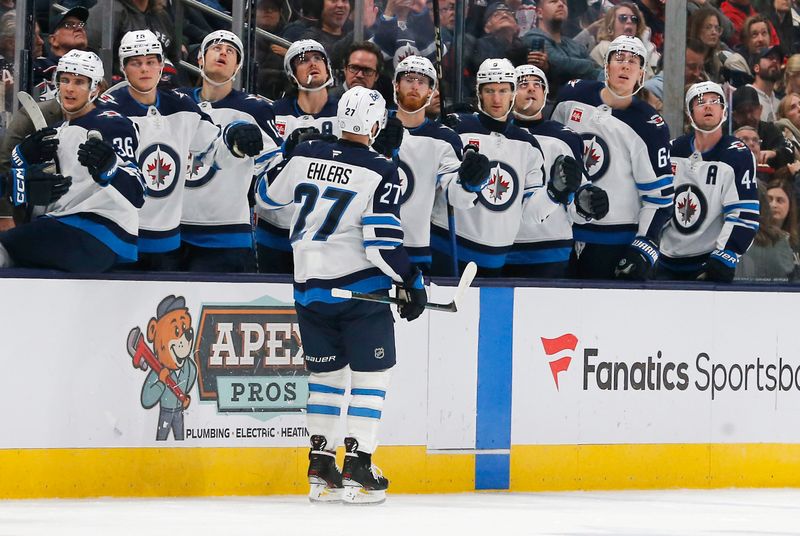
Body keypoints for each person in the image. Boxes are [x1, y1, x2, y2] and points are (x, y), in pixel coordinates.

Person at [257, 85, 428, 505]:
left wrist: (284, 154)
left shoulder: (304, 153)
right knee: (371, 377)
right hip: (359, 290)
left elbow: (264, 199)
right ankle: (358, 464)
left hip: (308, 288)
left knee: (326, 378)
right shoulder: (380, 167)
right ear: (373, 124)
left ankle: (321, 467)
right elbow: (381, 243)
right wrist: (412, 282)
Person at [98, 30, 261, 271]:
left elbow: (214, 152)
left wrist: (235, 142)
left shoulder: (182, 106)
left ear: (161, 66)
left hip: (166, 243)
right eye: (136, 63)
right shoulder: (106, 110)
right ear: (124, 68)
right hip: (117, 237)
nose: (144, 69)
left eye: (151, 62)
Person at [432, 58, 579, 276]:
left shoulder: (528, 144)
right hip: (448, 247)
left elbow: (530, 214)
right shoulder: (457, 128)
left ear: (512, 94)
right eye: (489, 90)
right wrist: (465, 184)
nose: (496, 98)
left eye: (503, 90)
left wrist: (554, 193)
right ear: (479, 92)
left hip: (496, 257)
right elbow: (449, 194)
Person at [0, 50, 145, 272]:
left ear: (95, 88)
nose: (69, 88)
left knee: (6, 247)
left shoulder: (110, 124)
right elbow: (24, 194)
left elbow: (138, 192)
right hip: (65, 227)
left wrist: (111, 168)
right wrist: (22, 159)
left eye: (79, 82)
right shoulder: (57, 131)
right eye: (65, 80)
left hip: (99, 234)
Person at [551, 35, 674, 280]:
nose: (626, 65)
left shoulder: (649, 125)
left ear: (642, 74)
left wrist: (644, 246)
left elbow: (659, 200)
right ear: (606, 66)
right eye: (619, 58)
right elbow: (549, 150)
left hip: (613, 244)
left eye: (633, 61)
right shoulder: (573, 96)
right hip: (560, 233)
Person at [176, 31, 282, 273]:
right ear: (200, 59)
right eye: (215, 47)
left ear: (238, 66)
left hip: (226, 236)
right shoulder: (178, 104)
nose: (223, 52)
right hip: (173, 232)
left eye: (231, 51)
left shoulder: (254, 109)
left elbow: (273, 167)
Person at [506, 64, 609, 278]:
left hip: (551, 251)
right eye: (523, 84)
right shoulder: (495, 135)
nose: (532, 89)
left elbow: (575, 203)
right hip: (500, 248)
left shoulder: (566, 138)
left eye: (538, 85)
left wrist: (587, 203)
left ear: (546, 95)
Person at [391, 55, 490, 273]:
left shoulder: (445, 138)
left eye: (422, 81)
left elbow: (456, 197)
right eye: (409, 79)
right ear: (396, 84)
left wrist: (469, 183)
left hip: (413, 248)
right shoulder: (374, 123)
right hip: (363, 245)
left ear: (431, 91)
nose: (415, 86)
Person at [657, 81, 759, 282]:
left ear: (724, 111)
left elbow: (744, 213)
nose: (708, 106)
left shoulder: (737, 155)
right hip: (664, 260)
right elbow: (654, 201)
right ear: (689, 112)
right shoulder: (672, 151)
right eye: (701, 102)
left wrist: (727, 253)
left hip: (709, 263)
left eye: (715, 101)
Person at [255, 39, 341, 275]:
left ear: (328, 66)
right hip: (274, 231)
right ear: (291, 73)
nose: (312, 63)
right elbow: (261, 172)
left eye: (318, 58)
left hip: (326, 236)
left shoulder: (346, 115)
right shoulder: (272, 113)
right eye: (302, 60)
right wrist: (287, 152)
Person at [522, 0, 602, 95]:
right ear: (539, 13)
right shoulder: (533, 39)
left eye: (564, 3)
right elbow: (558, 62)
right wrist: (589, 66)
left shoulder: (575, 45)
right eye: (553, 1)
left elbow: (598, 70)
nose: (560, 4)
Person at [589, 3, 659, 78]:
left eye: (634, 19)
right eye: (623, 18)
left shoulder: (639, 52)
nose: (629, 21)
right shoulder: (605, 47)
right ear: (610, 27)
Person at [34, 6, 88, 101]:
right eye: (68, 25)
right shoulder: (40, 67)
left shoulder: (98, 68)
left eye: (81, 24)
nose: (79, 29)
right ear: (53, 40)